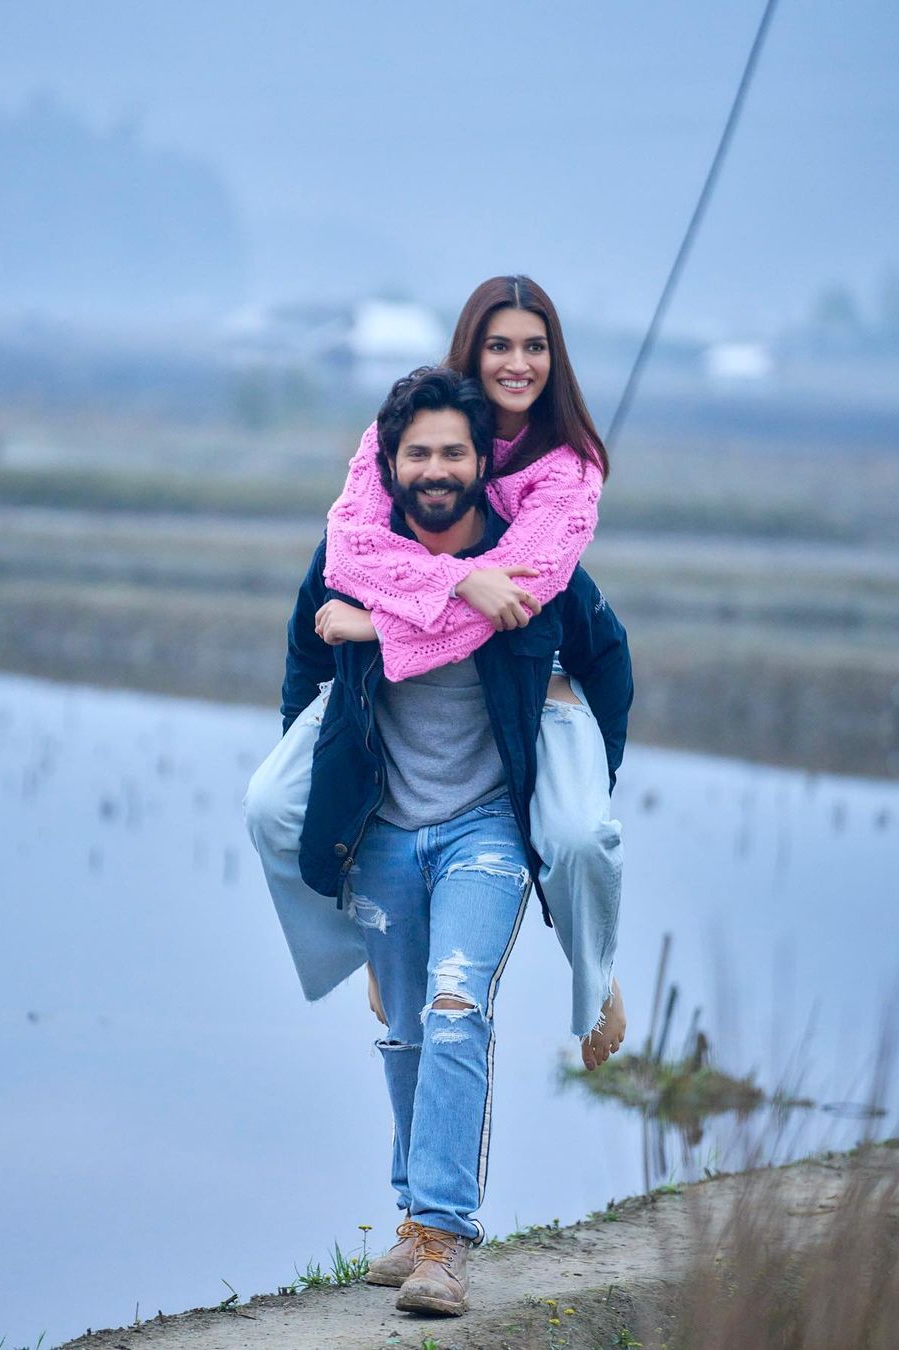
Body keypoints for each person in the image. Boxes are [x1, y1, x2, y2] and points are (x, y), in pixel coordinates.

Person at [264, 367, 632, 1316]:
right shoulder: (356, 554)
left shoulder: (528, 563)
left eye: (454, 452)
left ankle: (442, 1239)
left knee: (458, 1004)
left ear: (481, 464)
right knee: (402, 1030)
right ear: (391, 464)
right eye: (418, 452)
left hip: (484, 830)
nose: (435, 468)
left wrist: (587, 779)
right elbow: (306, 658)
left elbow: (608, 655)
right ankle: (411, 1216)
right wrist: (315, 756)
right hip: (385, 829)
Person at [247, 275, 626, 1067]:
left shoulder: (564, 473)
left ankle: (595, 982)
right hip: (403, 675)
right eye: (499, 344)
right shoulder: (424, 426)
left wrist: (595, 771)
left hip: (523, 687)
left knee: (581, 836)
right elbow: (346, 557)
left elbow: (529, 609)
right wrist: (453, 581)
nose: (516, 363)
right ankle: (367, 954)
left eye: (534, 346)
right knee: (273, 808)